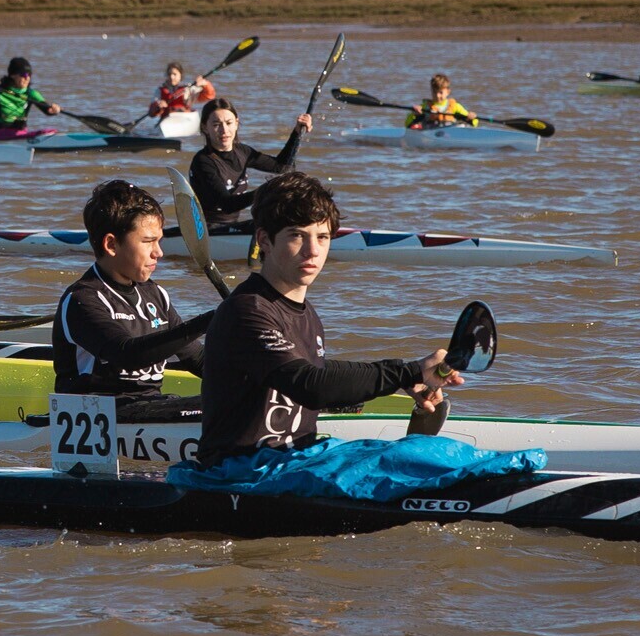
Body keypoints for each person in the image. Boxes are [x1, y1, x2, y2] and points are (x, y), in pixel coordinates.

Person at [192, 173, 459, 470]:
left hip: (292, 463)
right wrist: (404, 373)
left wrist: (406, 376)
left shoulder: (307, 314)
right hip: (238, 473)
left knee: (431, 459)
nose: (313, 251)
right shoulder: (246, 310)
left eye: (322, 237)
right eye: (297, 235)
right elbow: (309, 385)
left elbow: (315, 369)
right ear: (264, 240)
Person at [52, 179, 207, 403]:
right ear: (111, 245)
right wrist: (207, 321)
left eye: (159, 241)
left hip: (149, 410)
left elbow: (200, 360)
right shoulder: (81, 300)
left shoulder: (156, 296)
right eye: (148, 241)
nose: (159, 253)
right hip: (99, 414)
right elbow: (127, 355)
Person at [189, 98, 313, 228]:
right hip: (204, 231)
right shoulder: (203, 161)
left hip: (231, 226)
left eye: (229, 123)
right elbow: (227, 205)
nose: (224, 130)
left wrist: (297, 133)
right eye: (216, 125)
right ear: (205, 127)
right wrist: (267, 190)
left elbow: (282, 167)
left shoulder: (243, 151)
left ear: (236, 124)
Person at [0, 56, 63, 140]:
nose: (27, 78)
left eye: (29, 75)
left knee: (48, 131)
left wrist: (54, 110)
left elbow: (47, 110)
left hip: (19, 133)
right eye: (24, 75)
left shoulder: (31, 94)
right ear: (13, 75)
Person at [149, 61, 215, 120]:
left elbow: (209, 96)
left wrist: (205, 84)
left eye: (175, 74)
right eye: (169, 74)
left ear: (180, 75)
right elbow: (152, 113)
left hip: (185, 118)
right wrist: (158, 106)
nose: (171, 77)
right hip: (168, 119)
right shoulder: (159, 91)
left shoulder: (189, 89)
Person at [408, 73, 477, 129]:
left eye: (441, 92)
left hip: (449, 135)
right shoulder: (425, 107)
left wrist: (471, 118)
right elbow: (407, 124)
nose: (437, 95)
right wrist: (414, 114)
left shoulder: (456, 106)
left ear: (448, 92)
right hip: (430, 135)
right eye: (434, 92)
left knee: (462, 126)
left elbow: (475, 122)